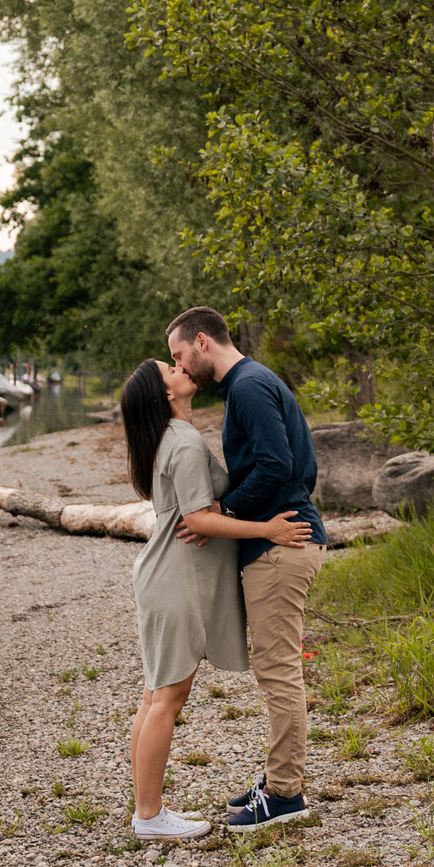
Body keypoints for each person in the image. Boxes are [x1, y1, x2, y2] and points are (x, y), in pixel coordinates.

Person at [119, 356, 314, 841]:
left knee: (157, 693)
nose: (181, 368)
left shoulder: (171, 437)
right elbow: (200, 520)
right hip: (176, 578)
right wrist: (266, 528)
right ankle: (149, 815)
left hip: (170, 576)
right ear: (165, 394)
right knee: (167, 696)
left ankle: (147, 809)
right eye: (171, 368)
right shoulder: (180, 440)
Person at [166, 306, 328, 829]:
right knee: (275, 667)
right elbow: (296, 467)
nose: (181, 368)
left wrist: (226, 512)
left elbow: (278, 466)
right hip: (280, 539)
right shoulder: (251, 384)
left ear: (201, 342)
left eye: (179, 356)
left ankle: (285, 796)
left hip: (283, 546)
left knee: (278, 670)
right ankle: (280, 778)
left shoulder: (249, 387)